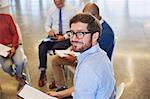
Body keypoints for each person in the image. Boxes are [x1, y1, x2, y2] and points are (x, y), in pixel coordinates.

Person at [48, 13, 116, 99]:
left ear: (95, 36)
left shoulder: (87, 70)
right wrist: (60, 94)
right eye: (72, 33)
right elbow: (85, 87)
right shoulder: (101, 54)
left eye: (80, 33)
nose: (73, 39)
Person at [38, 0, 77, 87]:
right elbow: (47, 25)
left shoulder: (72, 10)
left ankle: (59, 77)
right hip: (54, 36)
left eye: (60, 4)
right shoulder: (51, 9)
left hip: (66, 37)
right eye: (56, 4)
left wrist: (65, 37)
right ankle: (43, 71)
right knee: (42, 47)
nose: (58, 6)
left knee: (57, 48)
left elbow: (74, 29)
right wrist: (49, 31)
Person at [0, 13, 26, 90]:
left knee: (20, 62)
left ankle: (19, 77)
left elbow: (15, 33)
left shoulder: (7, 17)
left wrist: (14, 47)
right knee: (6, 67)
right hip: (2, 49)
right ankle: (15, 74)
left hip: (13, 45)